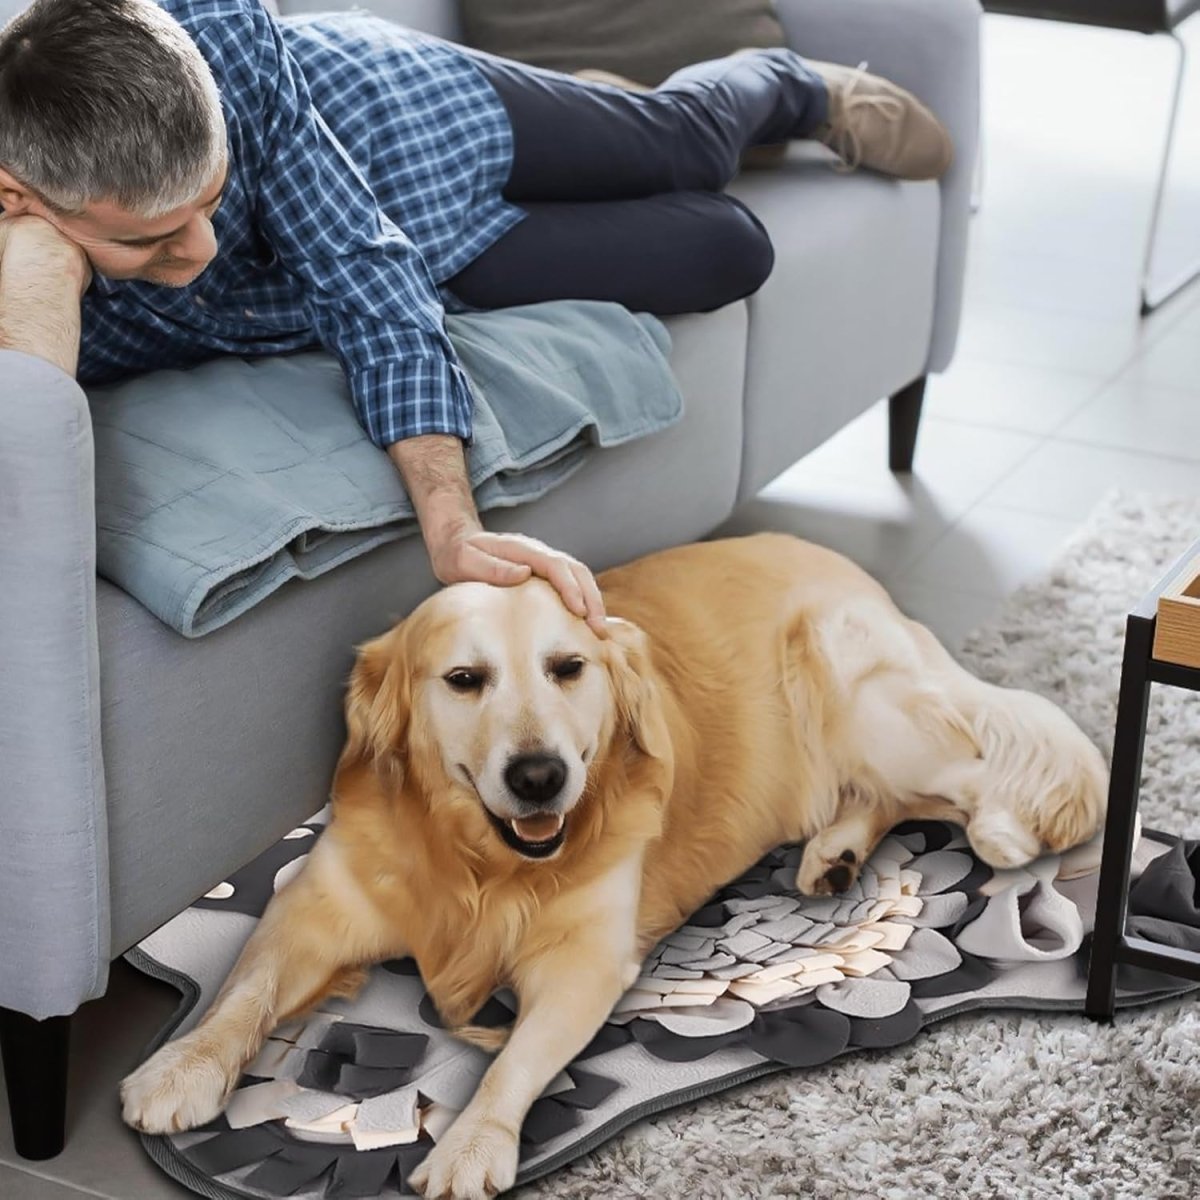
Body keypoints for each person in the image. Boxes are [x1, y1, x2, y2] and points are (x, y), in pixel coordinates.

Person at [0, 0, 953, 637]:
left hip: (400, 120)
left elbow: (359, 271)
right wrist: (41, 263)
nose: (201, 249)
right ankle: (601, 113)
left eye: (213, 202)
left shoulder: (226, 39)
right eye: (155, 238)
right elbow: (26, 457)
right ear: (20, 195)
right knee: (727, 248)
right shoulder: (28, 237)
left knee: (684, 151)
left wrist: (453, 522)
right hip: (434, 263)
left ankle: (784, 81)